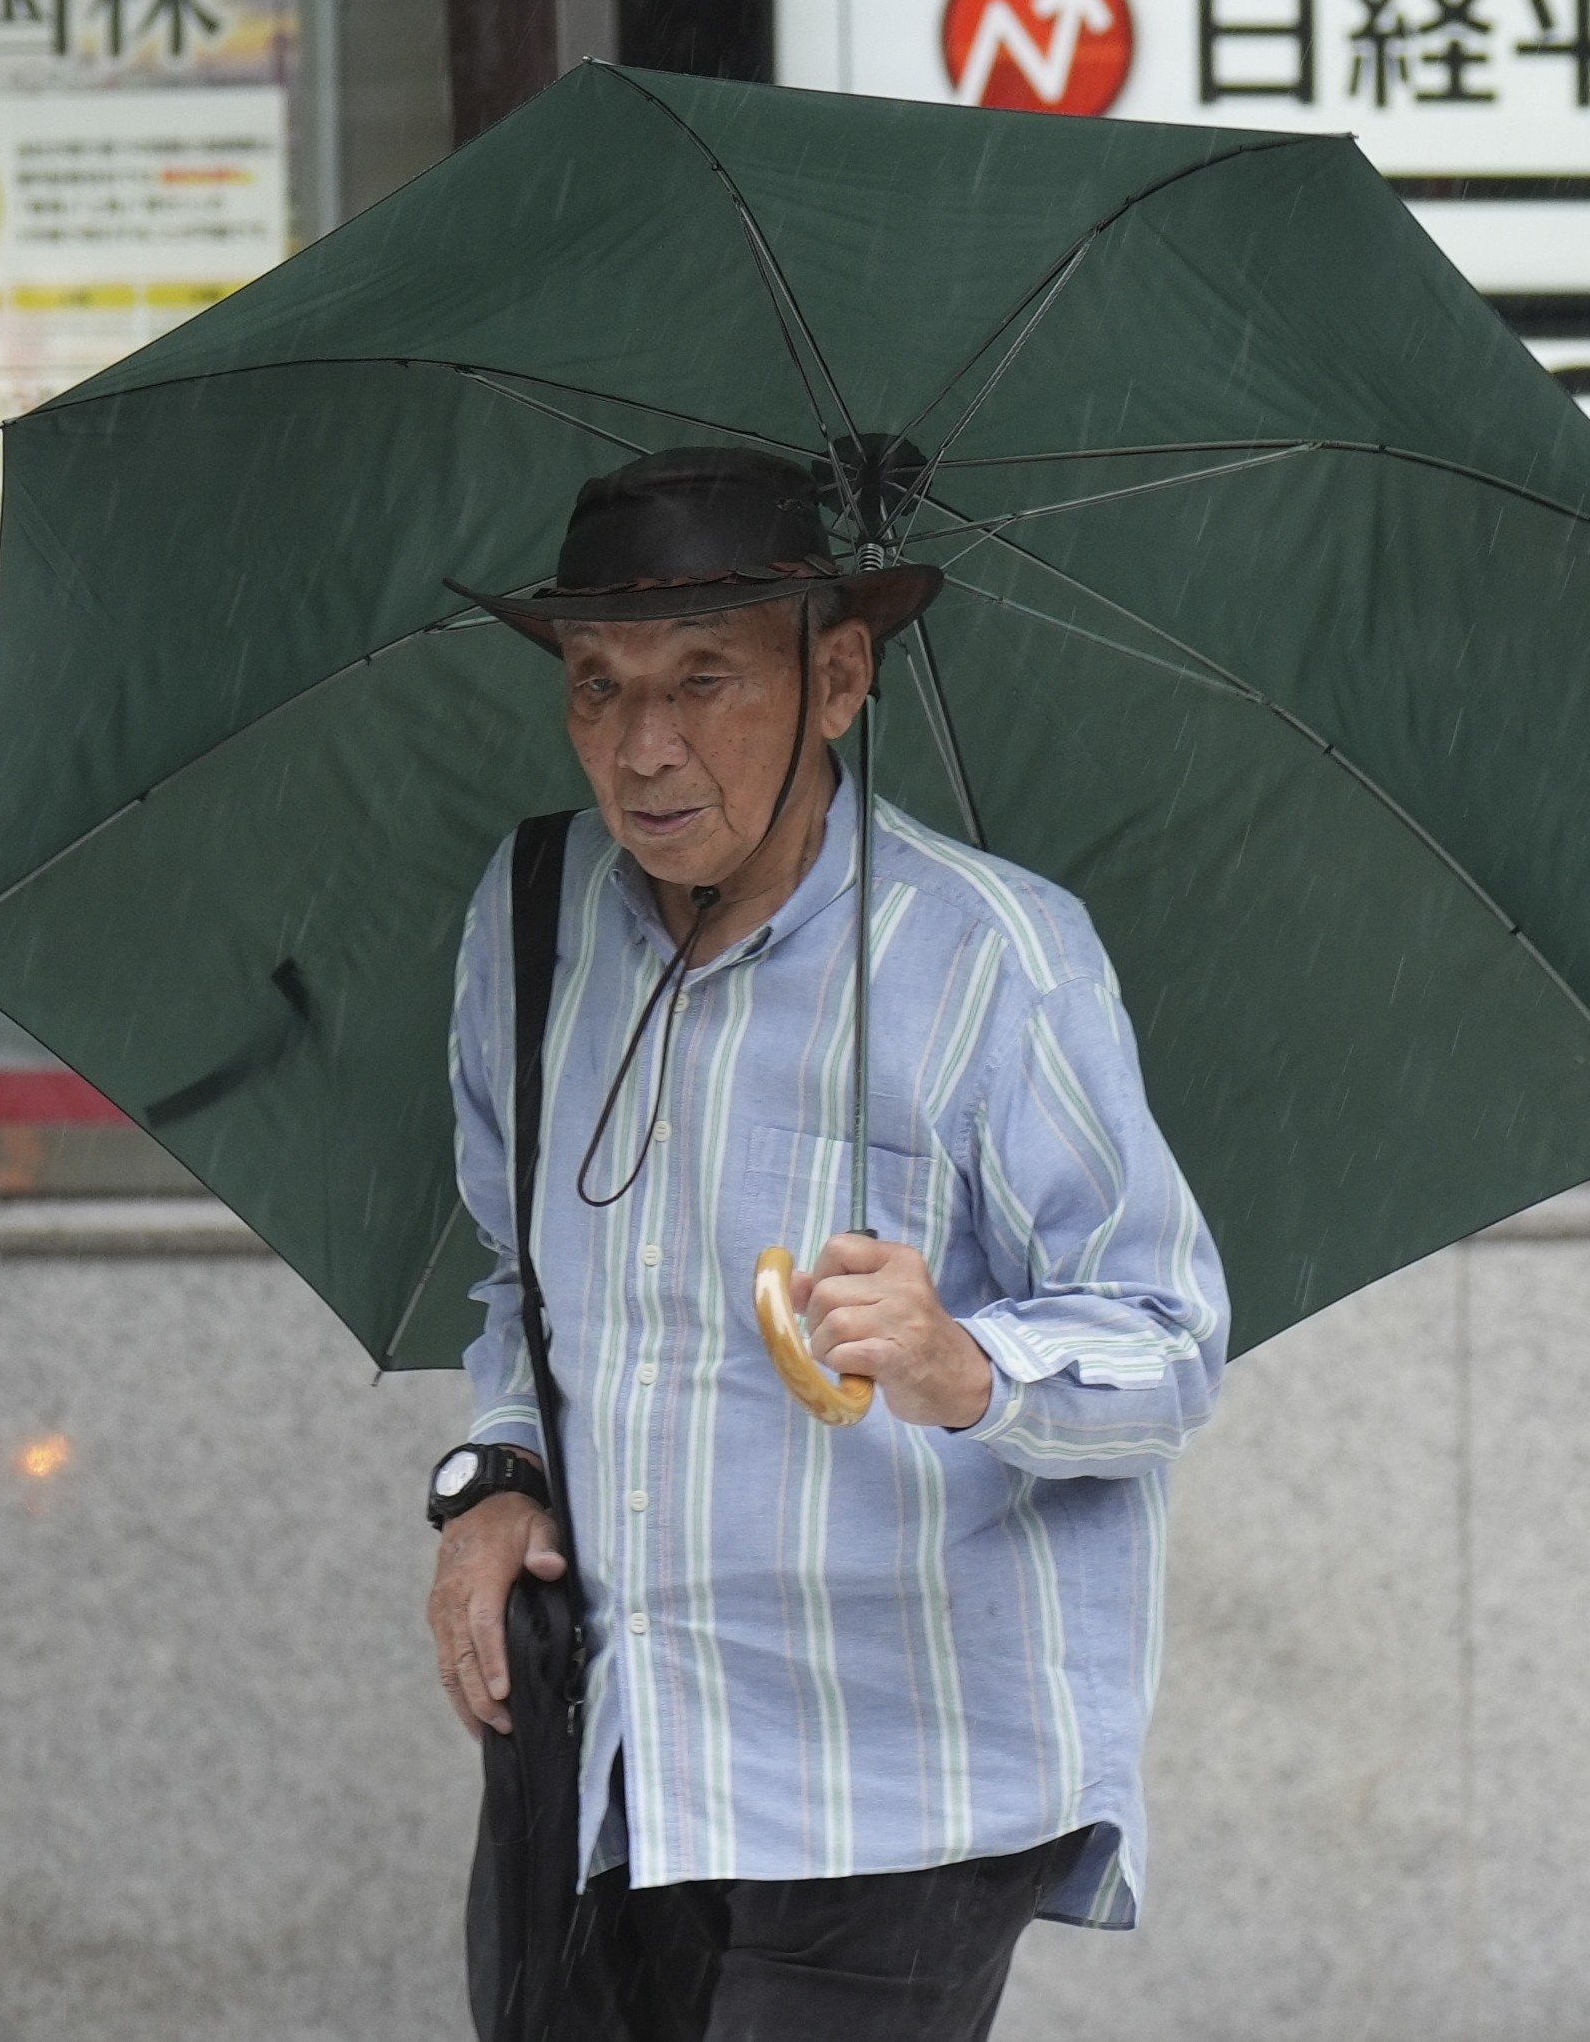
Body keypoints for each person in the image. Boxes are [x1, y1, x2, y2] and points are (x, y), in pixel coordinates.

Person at [418, 447, 1227, 2039]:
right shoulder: (532, 920)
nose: (641, 748)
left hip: (894, 1781)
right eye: (597, 686)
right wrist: (497, 1476)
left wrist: (961, 1362)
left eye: (704, 679)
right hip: (616, 1756)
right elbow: (519, 1281)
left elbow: (1168, 1339)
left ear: (838, 676)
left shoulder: (999, 958)